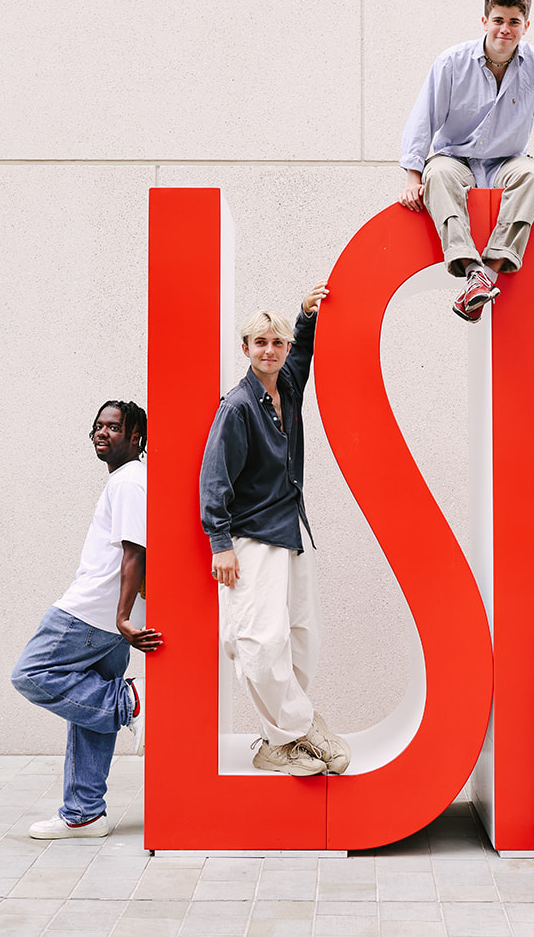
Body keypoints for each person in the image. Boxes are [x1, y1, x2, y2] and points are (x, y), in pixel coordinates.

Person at [200, 281, 350, 777]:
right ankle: (304, 730)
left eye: (277, 343)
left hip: (292, 532)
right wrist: (219, 544)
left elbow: (303, 357)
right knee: (260, 643)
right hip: (251, 538)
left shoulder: (285, 385)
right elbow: (214, 477)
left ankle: (276, 742)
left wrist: (304, 317)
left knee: (301, 637)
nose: (270, 350)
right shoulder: (237, 406)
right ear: (244, 349)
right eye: (259, 342)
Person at [398, 0, 534, 323]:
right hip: (455, 157)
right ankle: (473, 269)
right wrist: (414, 176)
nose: (505, 29)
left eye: (514, 22)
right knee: (438, 175)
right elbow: (423, 118)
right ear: (485, 21)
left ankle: (486, 273)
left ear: (526, 26)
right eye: (498, 20)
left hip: (508, 159)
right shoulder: (451, 63)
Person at [10, 400, 158, 839]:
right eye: (97, 426)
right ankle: (84, 813)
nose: (101, 433)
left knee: (32, 673)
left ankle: (132, 702)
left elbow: (135, 551)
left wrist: (122, 617)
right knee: (88, 710)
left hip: (92, 612)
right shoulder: (128, 479)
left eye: (113, 428)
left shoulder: (130, 481)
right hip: (110, 617)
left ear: (136, 437)